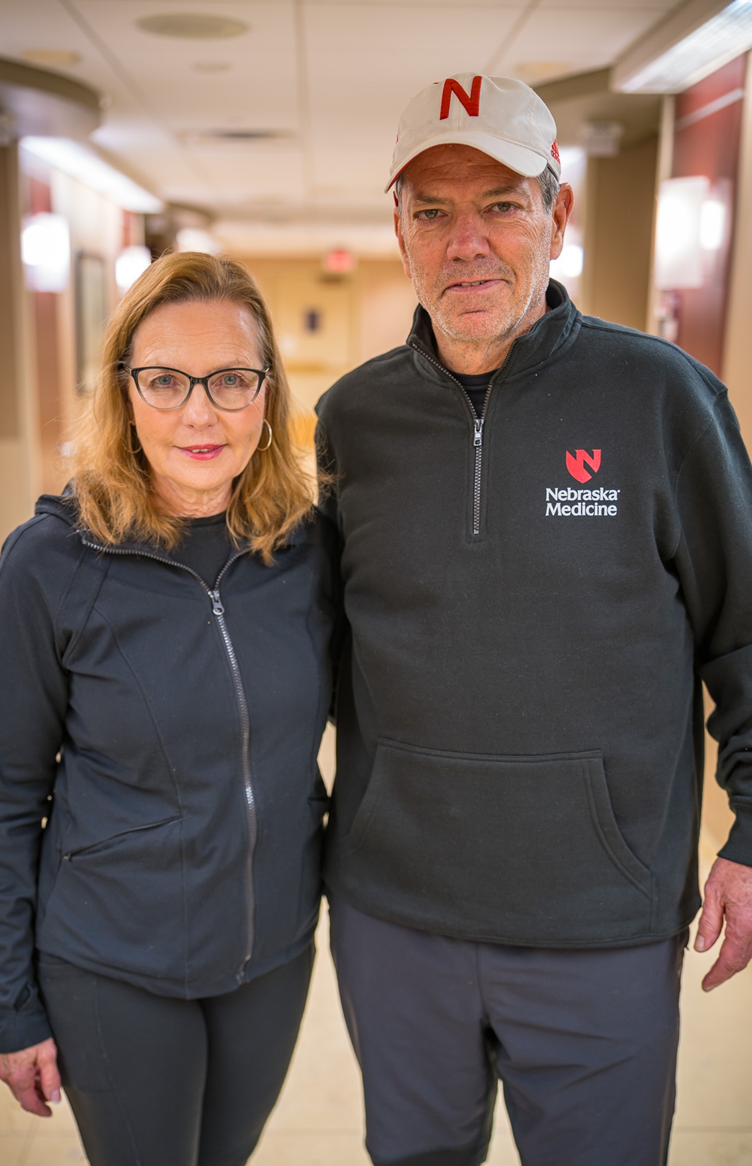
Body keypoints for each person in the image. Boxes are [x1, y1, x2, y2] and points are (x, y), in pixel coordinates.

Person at [316, 73, 752, 1166]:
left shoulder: (663, 398)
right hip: (393, 915)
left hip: (600, 918)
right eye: (432, 211)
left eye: (501, 203)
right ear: (400, 233)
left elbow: (743, 632)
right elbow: (300, 643)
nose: (467, 242)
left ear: (556, 216)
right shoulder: (349, 421)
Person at [0, 251, 336, 1166]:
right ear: (124, 393)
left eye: (229, 379)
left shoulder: (305, 550)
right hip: (113, 961)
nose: (199, 412)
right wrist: (13, 1004)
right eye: (165, 380)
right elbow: (3, 797)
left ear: (267, 394)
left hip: (272, 953)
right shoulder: (51, 566)